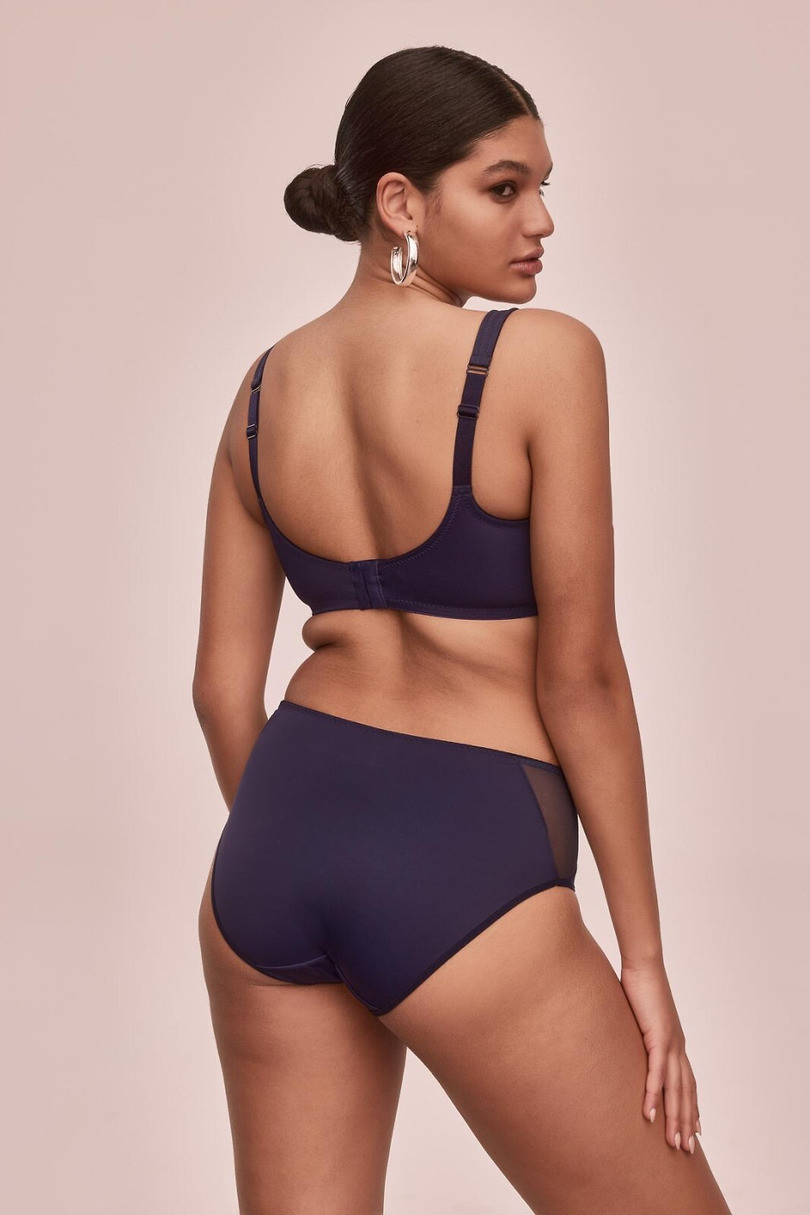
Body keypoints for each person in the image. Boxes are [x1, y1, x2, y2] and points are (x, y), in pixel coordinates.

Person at [192, 45, 732, 1215]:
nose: (542, 220)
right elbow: (584, 680)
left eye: (543, 186)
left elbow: (220, 692)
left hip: (269, 858)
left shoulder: (260, 394)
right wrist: (642, 959)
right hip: (462, 858)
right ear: (400, 202)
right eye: (503, 188)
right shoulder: (541, 359)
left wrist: (313, 856)